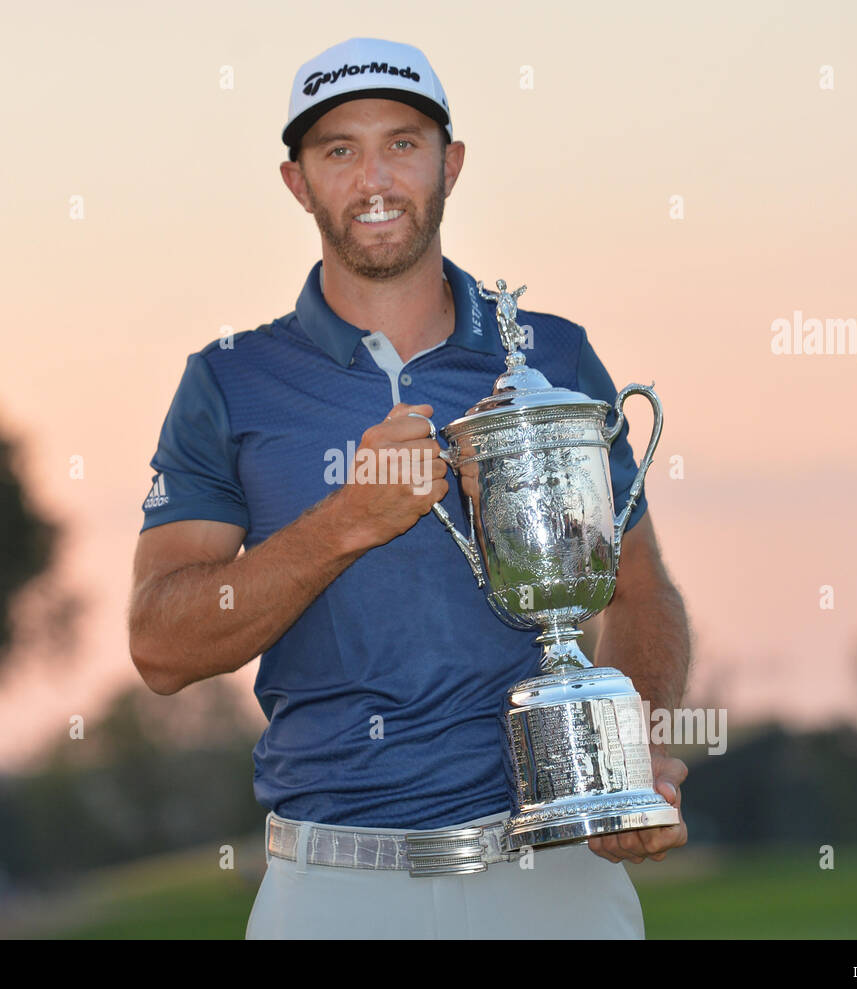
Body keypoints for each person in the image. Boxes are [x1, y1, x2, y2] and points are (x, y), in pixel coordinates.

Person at [128, 37, 692, 939]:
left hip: (551, 881)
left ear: (450, 164)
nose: (374, 177)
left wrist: (639, 750)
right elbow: (160, 645)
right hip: (332, 886)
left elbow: (637, 587)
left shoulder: (547, 357)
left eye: (403, 142)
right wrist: (346, 523)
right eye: (339, 151)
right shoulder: (230, 380)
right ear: (297, 181)